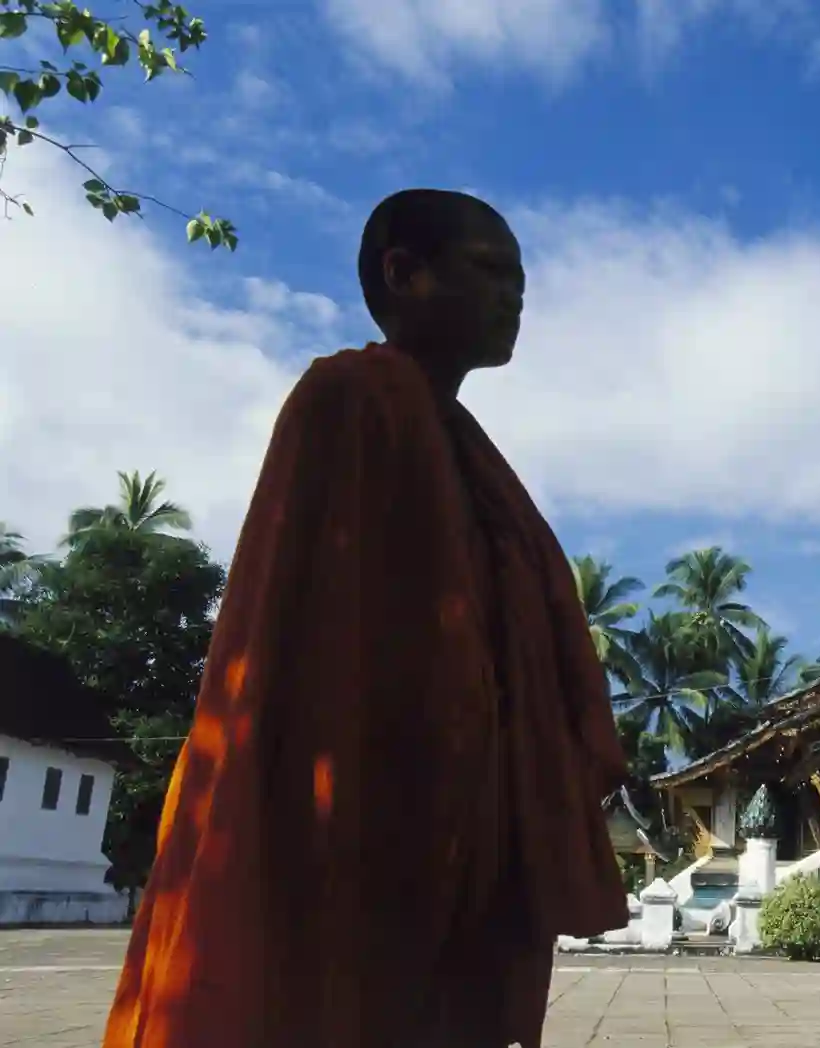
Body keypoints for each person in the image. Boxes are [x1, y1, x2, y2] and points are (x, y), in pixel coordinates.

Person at [102, 190, 630, 1048]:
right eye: (492, 269)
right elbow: (313, 639)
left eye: (523, 278)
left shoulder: (467, 449)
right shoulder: (349, 398)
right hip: (367, 813)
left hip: (467, 831)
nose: (517, 295)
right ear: (404, 273)